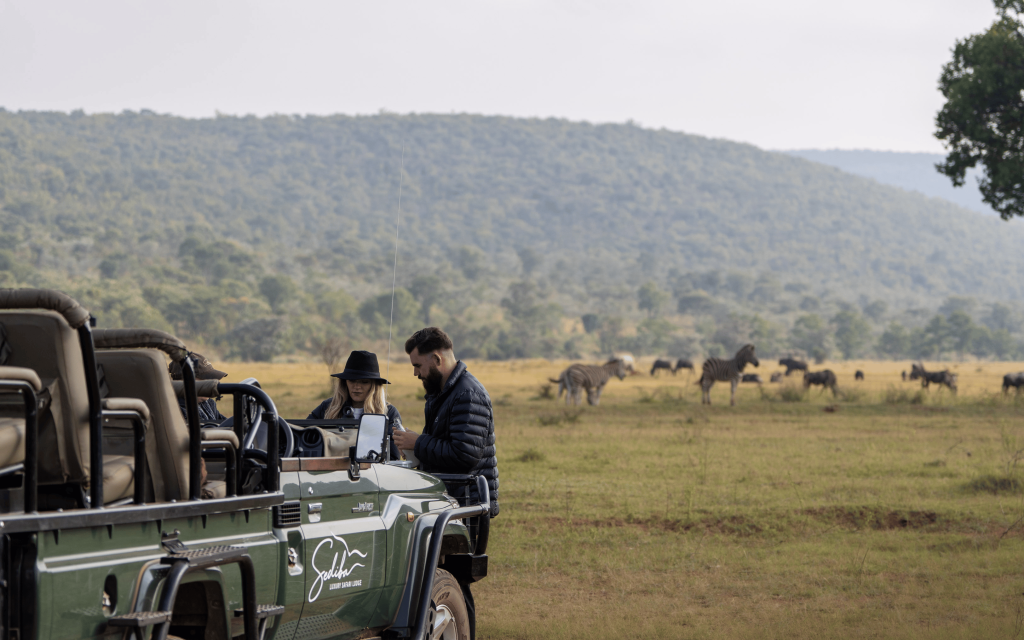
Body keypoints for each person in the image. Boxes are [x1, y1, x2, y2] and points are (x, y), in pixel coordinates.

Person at [393, 328, 499, 516]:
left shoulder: (467, 394)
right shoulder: (442, 392)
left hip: (467, 505)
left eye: (417, 365)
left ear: (436, 359)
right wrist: (413, 449)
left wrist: (418, 443)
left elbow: (464, 455)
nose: (415, 373)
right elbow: (444, 444)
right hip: (451, 500)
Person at [308, 350, 403, 435]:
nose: (357, 387)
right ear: (344, 382)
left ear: (374, 385)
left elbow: (393, 449)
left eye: (364, 382)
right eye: (352, 380)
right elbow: (305, 433)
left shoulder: (389, 413)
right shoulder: (328, 407)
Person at [168, 352, 227, 423]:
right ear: (184, 380)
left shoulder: (208, 403)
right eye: (206, 378)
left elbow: (225, 423)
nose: (211, 383)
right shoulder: (177, 411)